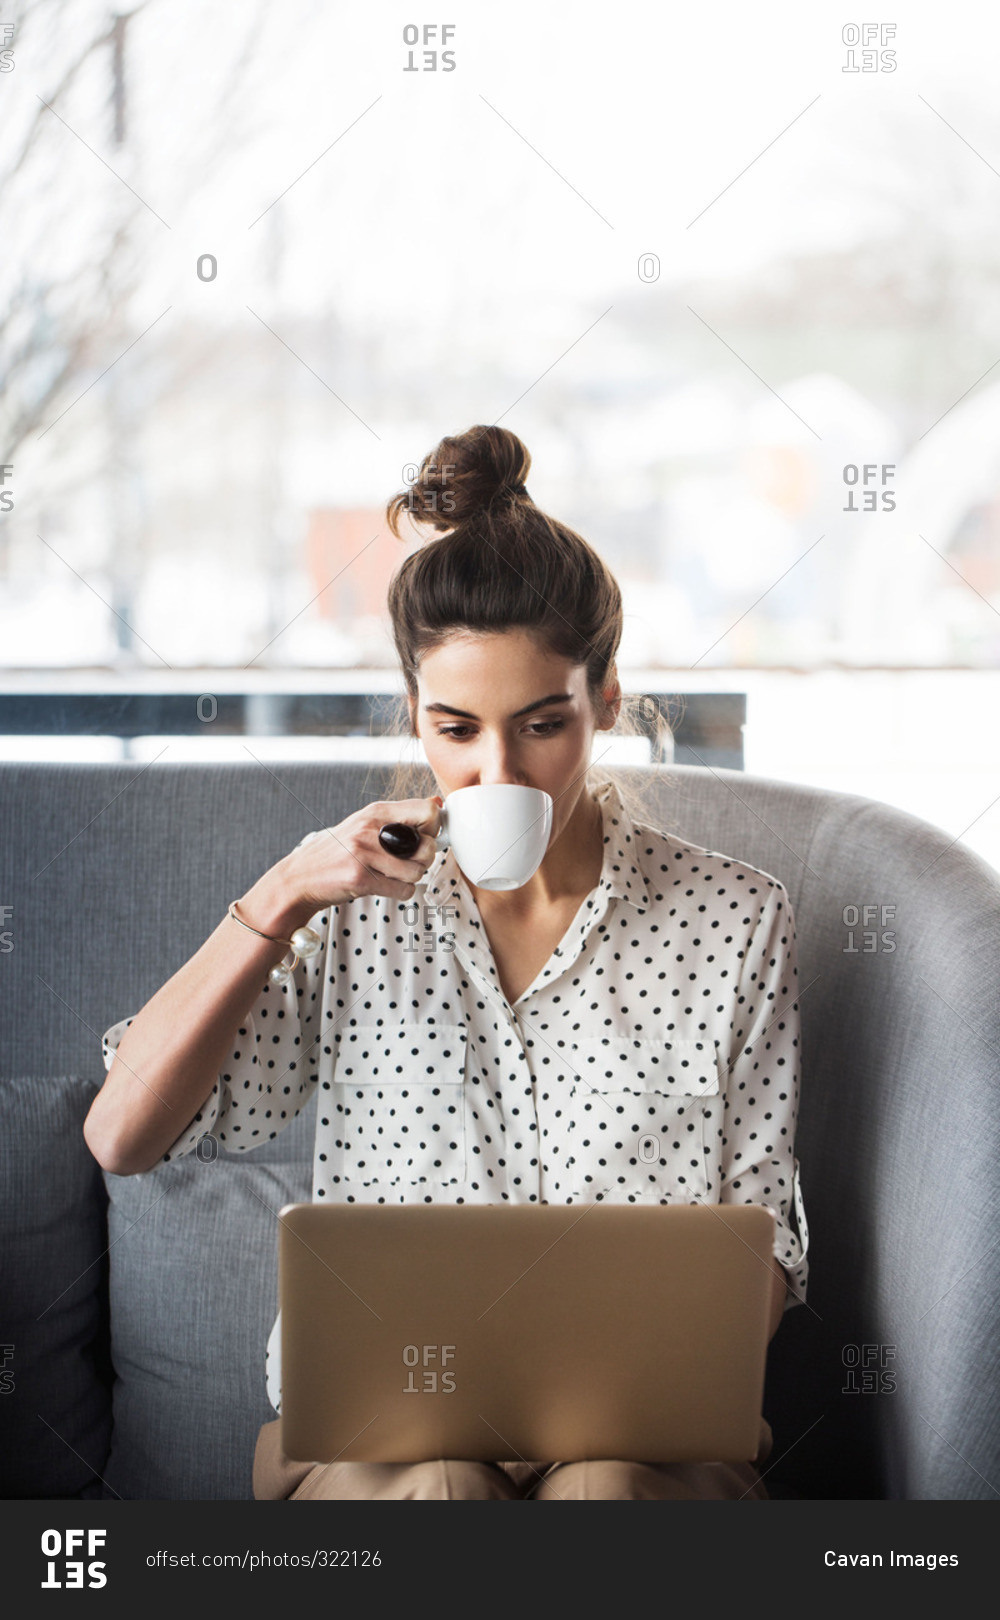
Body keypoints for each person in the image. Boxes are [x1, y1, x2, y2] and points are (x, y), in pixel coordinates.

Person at [86, 423, 809, 1501]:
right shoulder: (344, 914)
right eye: (456, 727)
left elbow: (766, 1250)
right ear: (414, 715)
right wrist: (281, 894)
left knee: (605, 1489)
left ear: (605, 701)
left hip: (640, 1449)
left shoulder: (735, 920)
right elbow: (121, 1135)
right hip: (381, 1447)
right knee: (439, 1483)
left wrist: (634, 1373)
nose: (496, 770)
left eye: (542, 724)